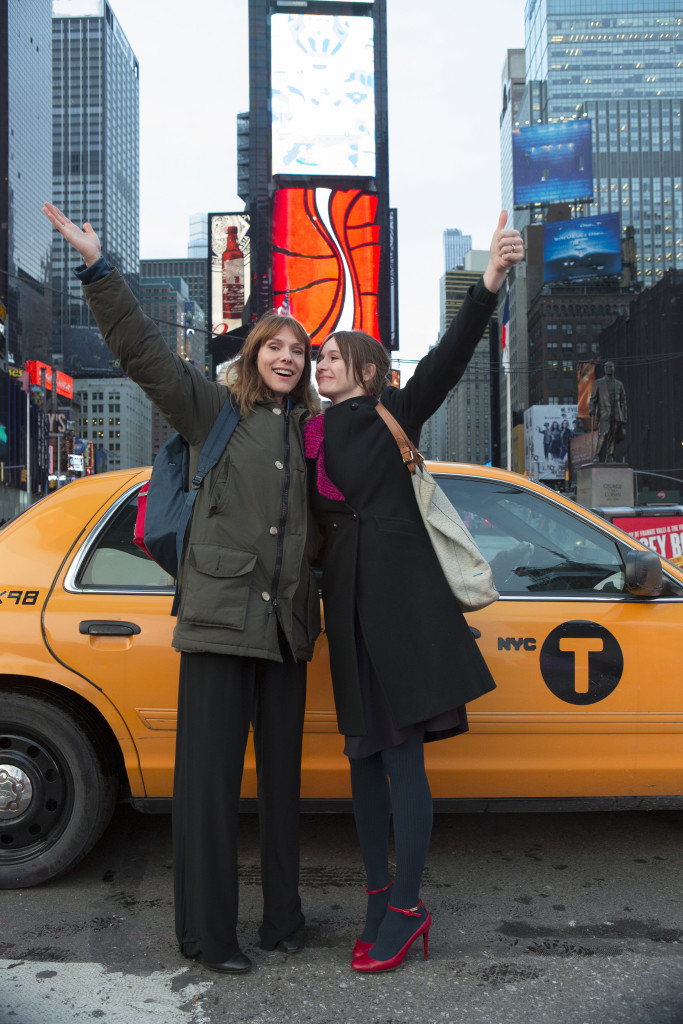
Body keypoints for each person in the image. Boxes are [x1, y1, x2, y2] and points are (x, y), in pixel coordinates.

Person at [43, 202, 321, 975]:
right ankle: (210, 936)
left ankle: (283, 921)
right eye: (277, 346)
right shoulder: (213, 411)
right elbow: (143, 357)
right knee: (206, 796)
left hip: (289, 632)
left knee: (282, 793)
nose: (289, 358)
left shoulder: (311, 434)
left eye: (299, 350)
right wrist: (100, 269)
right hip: (217, 627)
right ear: (255, 353)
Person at [302, 210, 524, 973]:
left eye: (333, 356)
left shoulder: (391, 411)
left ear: (365, 371)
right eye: (316, 356)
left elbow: (449, 358)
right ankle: (374, 897)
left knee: (401, 764)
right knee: (362, 762)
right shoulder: (301, 435)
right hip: (350, 616)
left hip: (404, 612)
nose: (319, 363)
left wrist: (489, 281)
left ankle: (406, 906)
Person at [589, 361, 627, 463]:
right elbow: (593, 399)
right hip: (604, 413)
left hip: (616, 414)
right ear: (604, 369)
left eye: (611, 367)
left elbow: (623, 400)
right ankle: (597, 455)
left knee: (613, 436)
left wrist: (624, 416)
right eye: (607, 367)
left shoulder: (619, 384)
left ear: (614, 369)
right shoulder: (598, 383)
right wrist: (591, 409)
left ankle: (610, 456)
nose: (609, 369)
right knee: (603, 434)